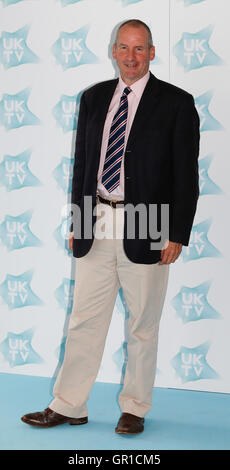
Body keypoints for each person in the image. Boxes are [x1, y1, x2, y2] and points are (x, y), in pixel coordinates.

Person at [21, 19, 200, 434]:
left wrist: (176, 232)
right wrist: (78, 220)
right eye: (124, 48)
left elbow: (185, 175)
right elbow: (83, 165)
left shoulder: (176, 102)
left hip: (151, 221)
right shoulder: (94, 98)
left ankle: (134, 407)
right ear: (113, 51)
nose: (131, 57)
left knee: (142, 324)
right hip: (96, 218)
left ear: (152, 53)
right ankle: (69, 404)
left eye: (140, 49)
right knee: (84, 318)